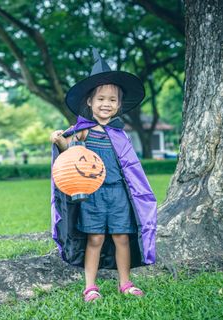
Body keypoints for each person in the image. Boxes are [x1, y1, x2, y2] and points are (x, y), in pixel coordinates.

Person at [50, 48, 157, 302]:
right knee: (95, 238)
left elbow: (130, 168)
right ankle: (90, 286)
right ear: (89, 101)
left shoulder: (121, 134)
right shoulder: (82, 131)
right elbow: (71, 157)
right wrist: (58, 141)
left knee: (121, 237)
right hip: (92, 195)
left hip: (118, 193)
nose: (105, 104)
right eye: (100, 99)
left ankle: (125, 282)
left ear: (119, 105)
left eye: (111, 100)